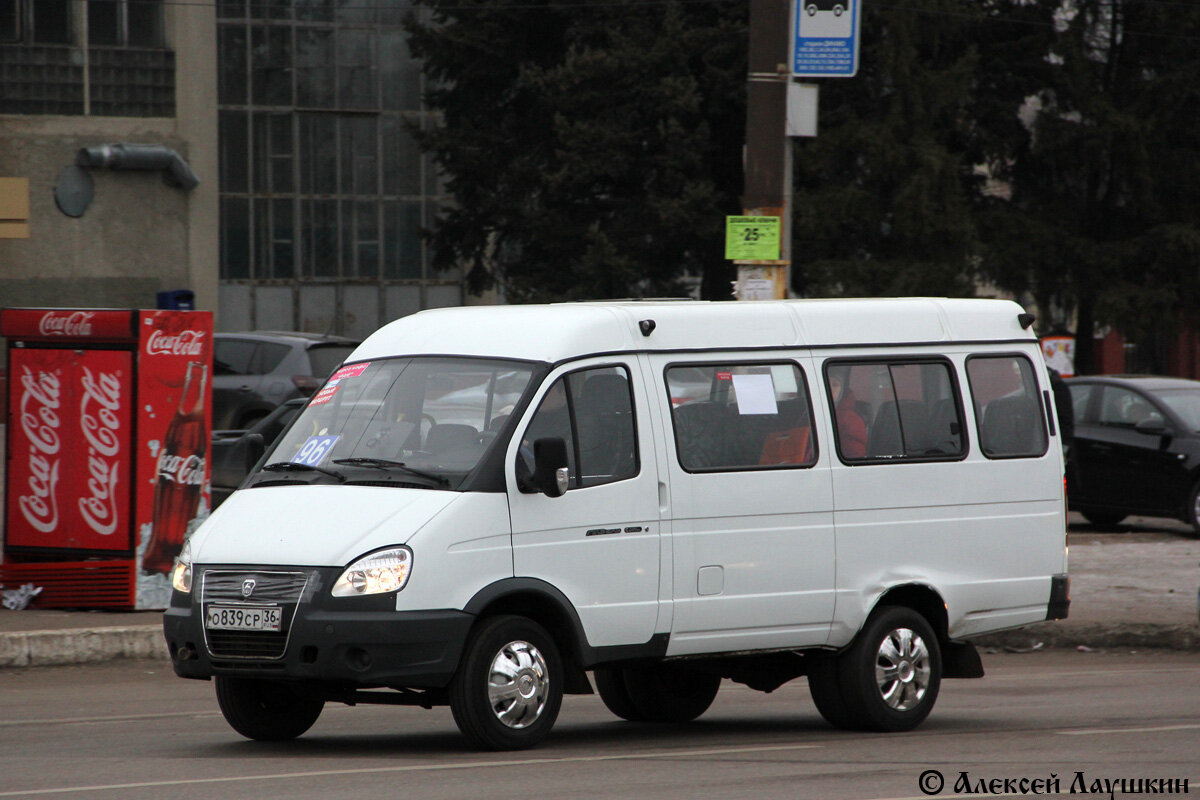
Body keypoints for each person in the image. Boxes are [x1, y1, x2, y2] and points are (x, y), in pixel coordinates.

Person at [830, 371, 867, 458]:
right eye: (827, 384)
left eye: (835, 385)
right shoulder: (808, 413)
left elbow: (856, 453)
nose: (830, 389)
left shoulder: (851, 420)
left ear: (842, 391)